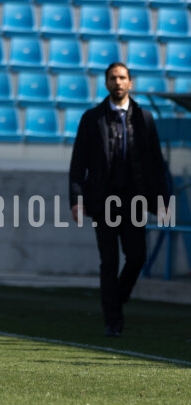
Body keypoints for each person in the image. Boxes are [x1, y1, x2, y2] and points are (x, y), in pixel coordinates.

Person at [69, 62, 170, 338]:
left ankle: (117, 298)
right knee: (109, 262)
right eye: (113, 78)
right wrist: (77, 199)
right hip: (103, 202)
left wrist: (163, 202)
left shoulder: (144, 118)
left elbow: (156, 164)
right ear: (106, 83)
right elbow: (78, 162)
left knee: (137, 257)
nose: (118, 82)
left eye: (122, 78)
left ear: (130, 83)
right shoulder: (92, 118)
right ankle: (112, 320)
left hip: (136, 200)